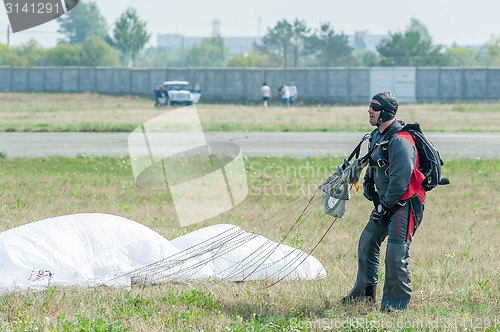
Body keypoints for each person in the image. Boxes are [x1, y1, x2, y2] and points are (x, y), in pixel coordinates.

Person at [342, 92, 426, 313]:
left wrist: (384, 207)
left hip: (406, 203)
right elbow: (373, 164)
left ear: (386, 113)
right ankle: (364, 295)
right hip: (386, 203)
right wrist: (369, 185)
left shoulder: (402, 141)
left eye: (374, 107)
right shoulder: (377, 136)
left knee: (395, 254)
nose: (369, 110)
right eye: (370, 106)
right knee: (367, 242)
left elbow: (400, 181)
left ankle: (394, 306)